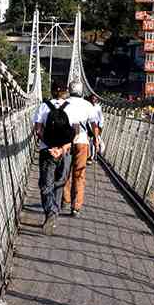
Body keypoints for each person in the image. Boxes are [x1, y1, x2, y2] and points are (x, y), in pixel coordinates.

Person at [33, 82, 92, 235]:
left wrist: (49, 146)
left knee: (46, 184)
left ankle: (51, 213)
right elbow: (76, 131)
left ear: (52, 91)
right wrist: (62, 149)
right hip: (65, 152)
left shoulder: (43, 106)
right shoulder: (70, 107)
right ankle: (56, 212)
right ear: (65, 92)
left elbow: (38, 130)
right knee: (60, 182)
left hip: (47, 150)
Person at [61, 83, 100, 216]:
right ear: (81, 91)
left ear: (69, 91)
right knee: (79, 173)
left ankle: (65, 198)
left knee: (65, 171)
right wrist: (96, 139)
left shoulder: (63, 103)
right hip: (82, 141)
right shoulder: (87, 105)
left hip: (65, 141)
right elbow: (94, 124)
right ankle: (76, 206)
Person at [86, 93, 104, 165]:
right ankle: (91, 157)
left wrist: (100, 126)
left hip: (96, 127)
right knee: (90, 142)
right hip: (88, 127)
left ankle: (96, 155)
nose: (94, 100)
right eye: (93, 98)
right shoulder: (87, 106)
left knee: (97, 142)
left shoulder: (98, 107)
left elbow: (101, 117)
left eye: (95, 99)